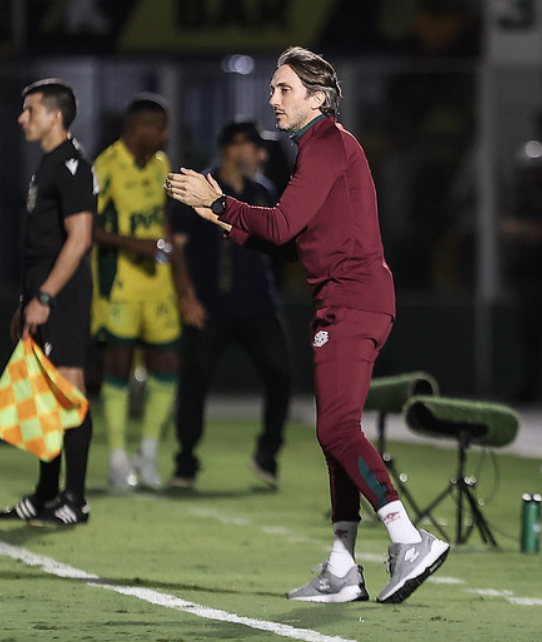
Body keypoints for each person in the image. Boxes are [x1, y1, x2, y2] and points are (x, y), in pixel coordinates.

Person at [165, 46, 449, 604]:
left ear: (316, 99)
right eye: (273, 88)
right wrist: (226, 219)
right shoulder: (321, 148)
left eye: (283, 89)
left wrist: (221, 202)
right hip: (348, 300)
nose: (272, 98)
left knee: (336, 430)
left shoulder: (326, 144)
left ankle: (407, 538)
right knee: (335, 437)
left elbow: (285, 224)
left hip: (353, 301)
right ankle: (343, 566)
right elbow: (296, 243)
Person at [168, 120, 292, 489]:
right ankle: (185, 463)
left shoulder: (263, 190)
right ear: (232, 148)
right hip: (210, 307)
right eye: (254, 147)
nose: (261, 155)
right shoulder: (200, 188)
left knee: (281, 375)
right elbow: (176, 247)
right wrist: (186, 298)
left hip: (258, 305)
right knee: (194, 383)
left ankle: (268, 453)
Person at [0, 79, 95, 527]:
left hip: (64, 295)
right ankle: (45, 494)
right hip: (42, 292)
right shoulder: (49, 163)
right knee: (42, 397)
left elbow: (79, 239)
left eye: (29, 109)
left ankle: (76, 499)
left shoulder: (72, 164)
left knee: (68, 392)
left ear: (56, 116)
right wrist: (27, 300)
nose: (22, 118)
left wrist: (47, 296)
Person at [91, 94, 184, 491]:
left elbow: (161, 220)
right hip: (120, 281)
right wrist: (136, 245)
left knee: (166, 363)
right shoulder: (105, 166)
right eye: (159, 126)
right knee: (119, 366)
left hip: (157, 283)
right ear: (138, 129)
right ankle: (116, 459)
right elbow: (87, 228)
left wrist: (181, 280)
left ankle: (147, 455)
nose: (166, 134)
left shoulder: (161, 165)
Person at [499, 141, 542, 404]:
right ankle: (530, 387)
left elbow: (541, 233)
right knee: (528, 337)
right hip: (524, 276)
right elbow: (505, 228)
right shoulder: (519, 196)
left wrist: (519, 230)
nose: (532, 176)